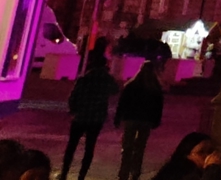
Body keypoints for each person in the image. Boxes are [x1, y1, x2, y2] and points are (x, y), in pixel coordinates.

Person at [61, 48, 120, 180]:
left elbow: (73, 96)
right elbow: (116, 90)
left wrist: (73, 110)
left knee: (72, 145)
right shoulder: (107, 80)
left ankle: (64, 172)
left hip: (80, 116)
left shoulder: (84, 79)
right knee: (89, 147)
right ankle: (82, 175)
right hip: (96, 118)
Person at [113, 62, 165, 180]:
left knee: (127, 146)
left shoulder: (131, 85)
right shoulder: (155, 87)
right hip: (146, 120)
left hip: (131, 118)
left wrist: (118, 118)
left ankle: (124, 172)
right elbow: (158, 106)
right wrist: (156, 120)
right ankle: (135, 172)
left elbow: (122, 103)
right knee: (140, 147)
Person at [149, 135, 221, 180]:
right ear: (187, 155)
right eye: (201, 152)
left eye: (210, 151)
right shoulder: (183, 175)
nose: (207, 156)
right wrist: (212, 169)